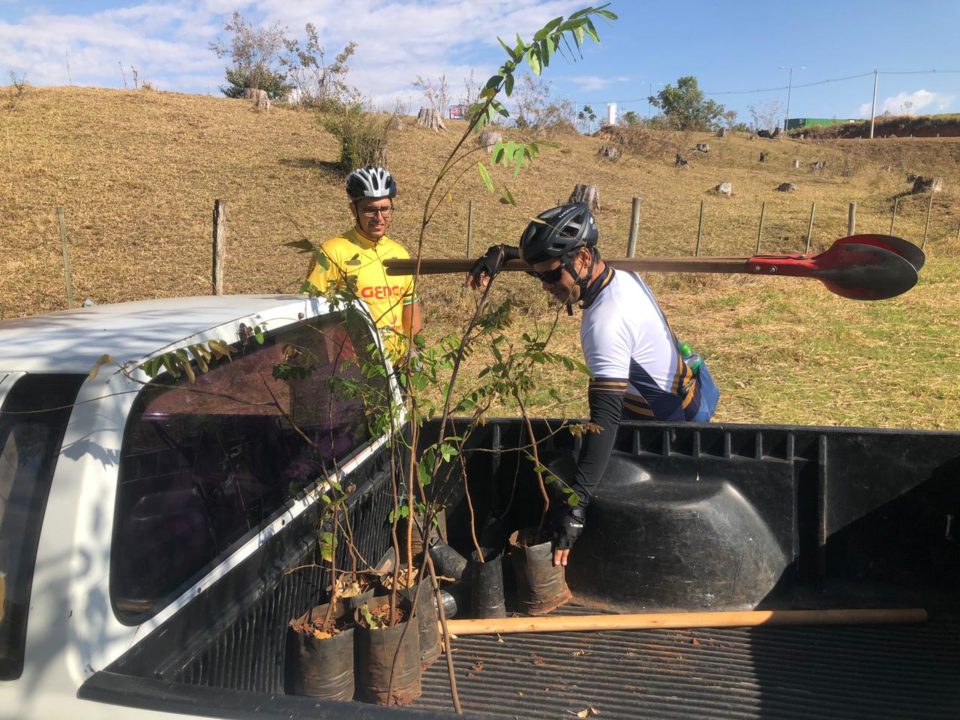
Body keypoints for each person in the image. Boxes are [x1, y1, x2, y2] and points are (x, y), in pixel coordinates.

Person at [467, 202, 719, 567]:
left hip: (670, 432)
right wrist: (503, 255)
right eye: (539, 277)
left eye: (552, 277)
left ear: (582, 257)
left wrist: (576, 508)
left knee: (561, 473)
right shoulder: (622, 277)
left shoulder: (604, 321)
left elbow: (605, 420)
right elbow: (550, 265)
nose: (546, 287)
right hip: (682, 397)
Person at [305, 166, 422, 360]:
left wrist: (414, 350)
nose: (379, 218)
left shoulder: (399, 253)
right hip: (354, 369)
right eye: (370, 210)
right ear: (353, 209)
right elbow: (310, 314)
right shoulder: (332, 252)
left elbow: (409, 304)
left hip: (398, 367)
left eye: (385, 209)